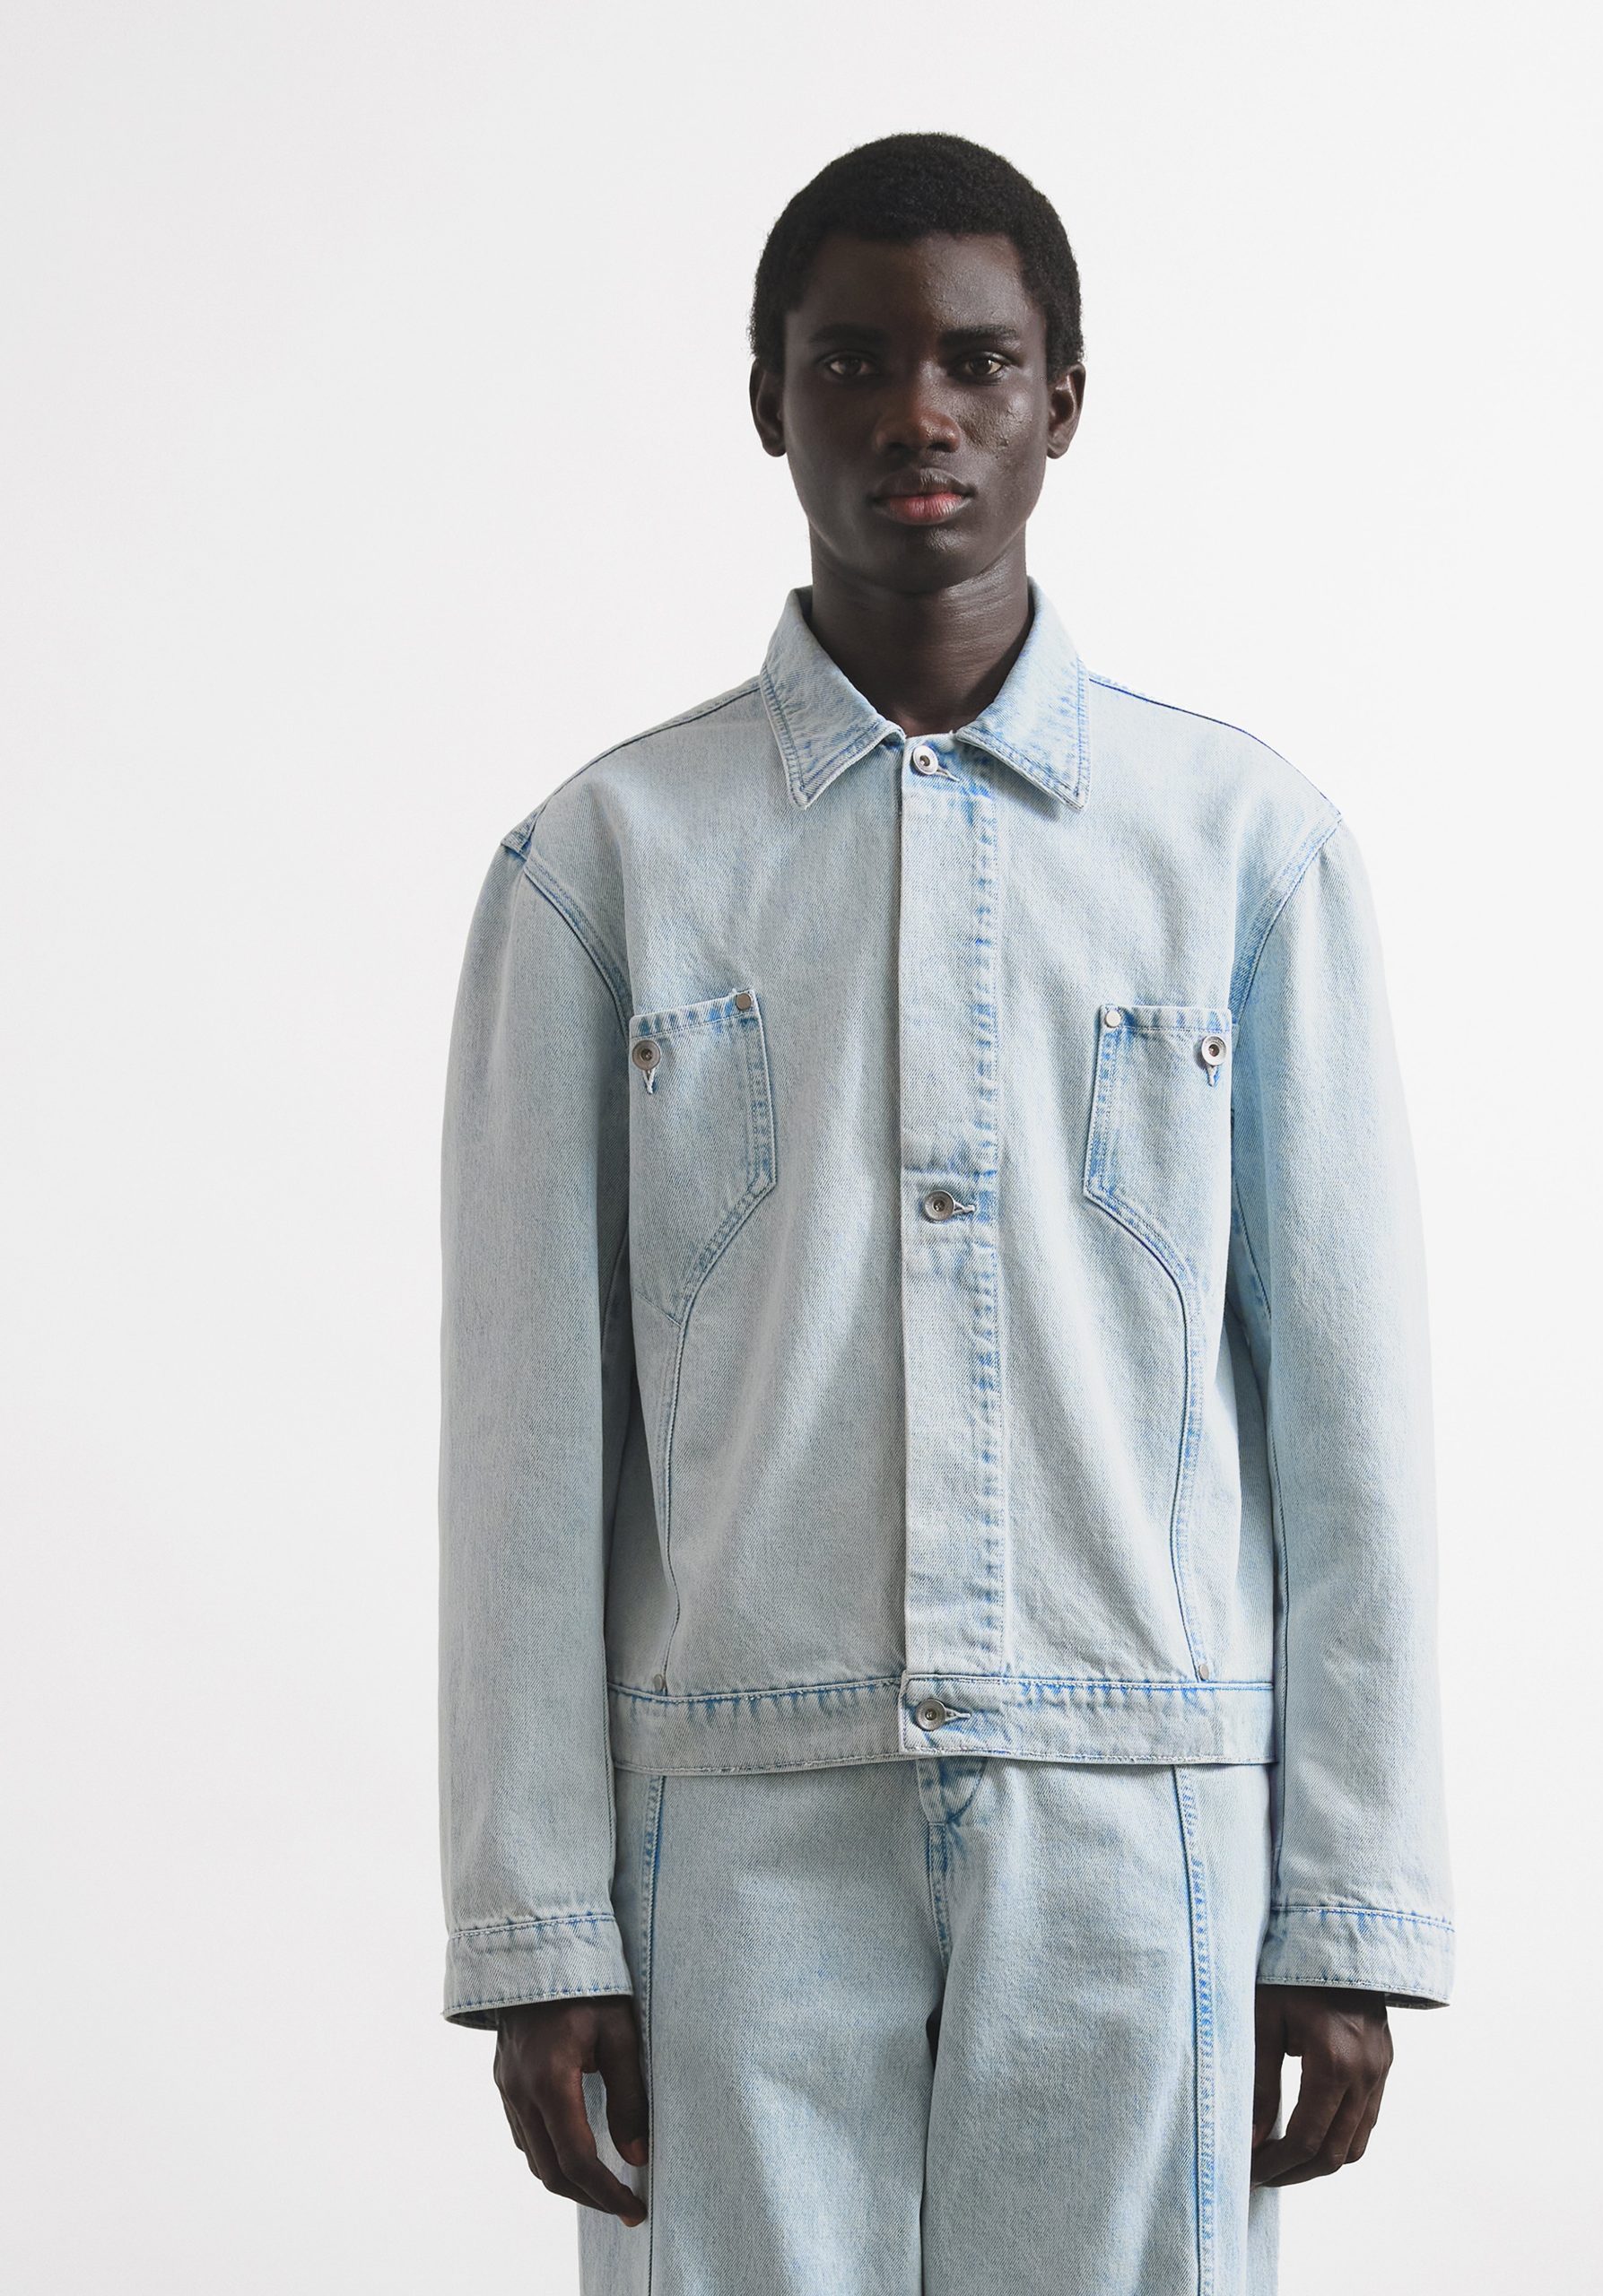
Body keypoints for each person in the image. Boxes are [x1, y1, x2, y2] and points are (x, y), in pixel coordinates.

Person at [437, 130, 1454, 2296]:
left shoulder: (1241, 852)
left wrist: (1345, 1897)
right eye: (854, 361)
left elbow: (1347, 1413)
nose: (918, 413)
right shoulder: (606, 865)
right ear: (767, 398)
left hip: (1138, 1824)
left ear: (1059, 400)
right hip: (733, 1836)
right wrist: (539, 1921)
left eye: (977, 363)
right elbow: (524, 1441)